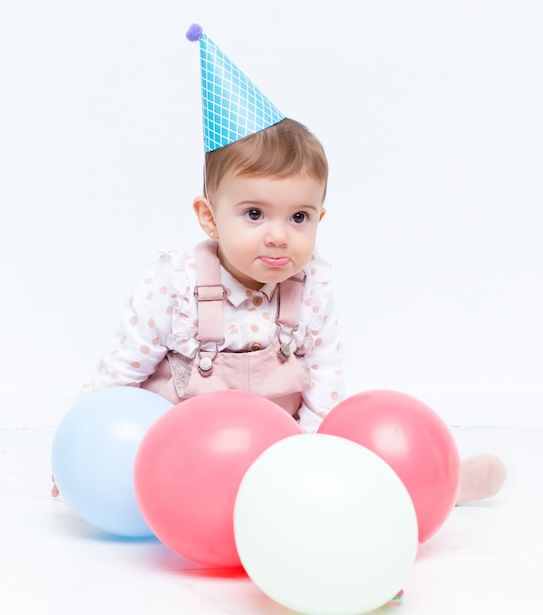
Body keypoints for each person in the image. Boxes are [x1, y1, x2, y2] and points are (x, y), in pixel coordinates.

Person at [52, 25, 506, 504]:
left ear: (319, 219)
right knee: (151, 476)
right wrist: (83, 450)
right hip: (186, 461)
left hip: (278, 456)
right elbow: (120, 373)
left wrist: (313, 457)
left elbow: (325, 378)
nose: (278, 234)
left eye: (299, 217)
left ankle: (431, 483)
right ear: (209, 217)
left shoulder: (310, 288)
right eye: (253, 214)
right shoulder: (174, 285)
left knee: (352, 431)